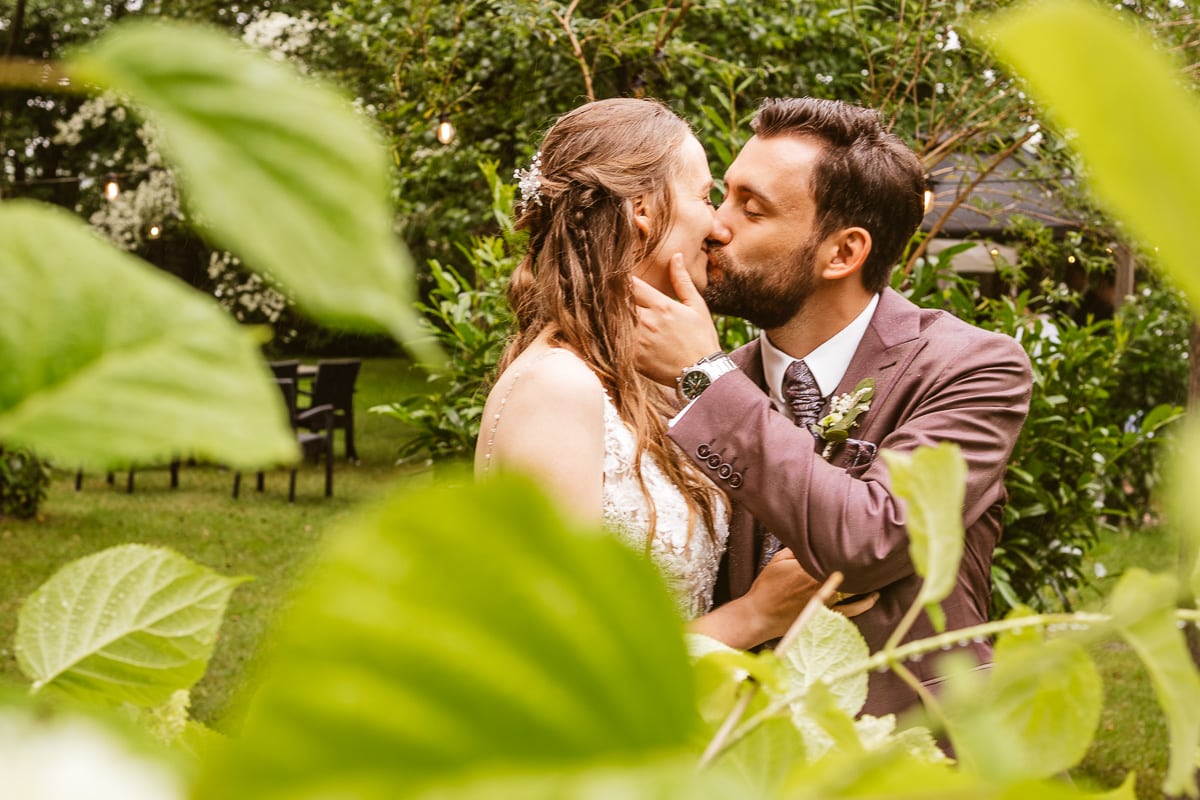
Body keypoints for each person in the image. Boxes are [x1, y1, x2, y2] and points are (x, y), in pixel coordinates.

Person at [632, 97, 1033, 718]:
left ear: (843, 254)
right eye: (725, 195)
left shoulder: (973, 368)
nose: (716, 225)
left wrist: (705, 379)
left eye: (752, 208)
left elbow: (869, 541)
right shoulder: (696, 385)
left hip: (919, 764)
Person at [474, 98, 871, 649]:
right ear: (642, 208)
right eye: (706, 196)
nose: (717, 226)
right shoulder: (558, 388)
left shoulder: (655, 379)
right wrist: (755, 616)